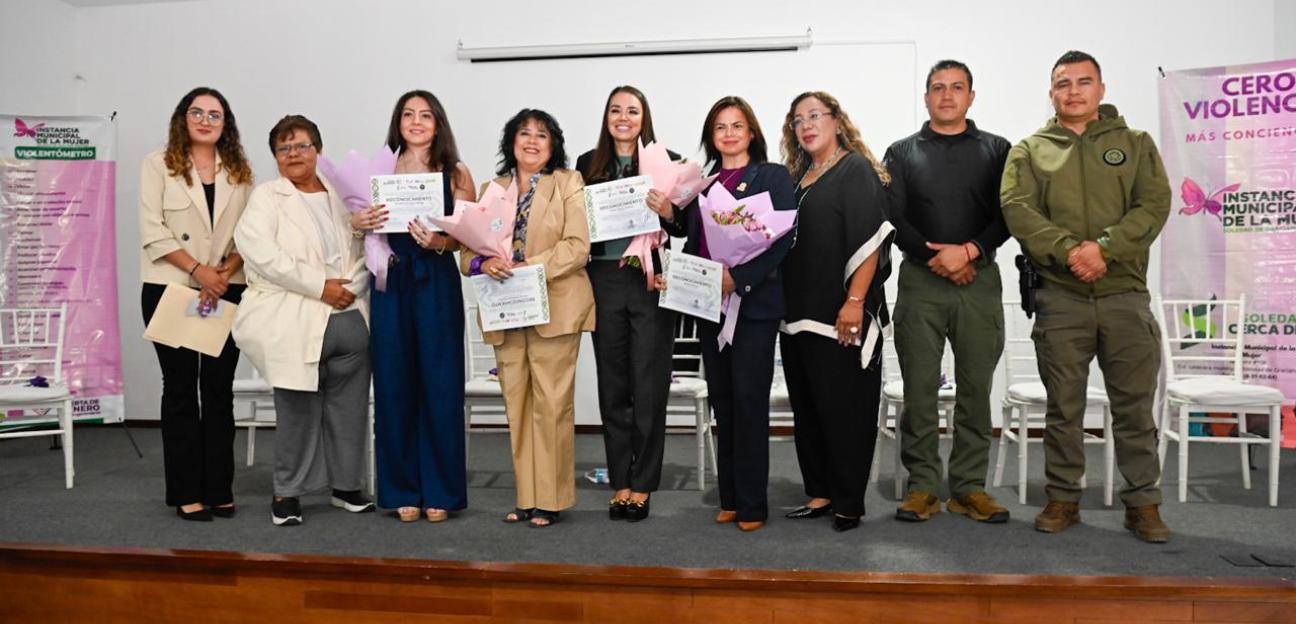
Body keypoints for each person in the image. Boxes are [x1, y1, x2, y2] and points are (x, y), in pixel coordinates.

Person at [1001, 50, 1171, 543]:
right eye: (1062, 83)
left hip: (1123, 296)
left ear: (1101, 89)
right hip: (1061, 297)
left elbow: (1154, 204)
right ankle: (1063, 498)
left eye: (1083, 82)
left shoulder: (1135, 144)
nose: (1073, 91)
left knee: (1134, 409)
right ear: (1051, 92)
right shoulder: (1030, 149)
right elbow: (1018, 208)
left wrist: (1107, 249)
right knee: (1064, 408)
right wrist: (1070, 250)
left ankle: (1143, 503)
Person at [884, 60, 1013, 524]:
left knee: (975, 390)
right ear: (926, 97)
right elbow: (894, 217)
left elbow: (1009, 213)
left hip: (979, 281)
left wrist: (971, 251)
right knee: (920, 389)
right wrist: (938, 257)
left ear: (971, 96)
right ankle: (922, 486)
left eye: (957, 88)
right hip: (921, 281)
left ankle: (969, 487)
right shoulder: (901, 153)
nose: (946, 96)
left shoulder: (998, 149)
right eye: (938, 88)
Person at [233, 115, 375, 526]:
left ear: (319, 150)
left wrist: (351, 285)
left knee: (349, 411)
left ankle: (346, 487)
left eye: (302, 146)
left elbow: (365, 246)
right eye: (284, 148)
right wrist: (320, 286)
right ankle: (287, 492)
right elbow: (262, 254)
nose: (294, 154)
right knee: (296, 410)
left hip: (349, 316)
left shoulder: (340, 195)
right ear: (276, 156)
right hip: (297, 319)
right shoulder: (266, 197)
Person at [460, 109, 594, 528]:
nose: (532, 141)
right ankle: (526, 496)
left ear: (553, 145)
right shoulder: (491, 188)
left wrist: (526, 266)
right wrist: (485, 263)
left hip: (555, 306)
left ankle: (551, 500)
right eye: (524, 133)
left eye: (542, 135)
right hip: (506, 309)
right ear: (510, 141)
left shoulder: (569, 183)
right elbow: (466, 255)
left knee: (552, 406)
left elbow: (577, 247)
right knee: (517, 404)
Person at [349, 91, 476, 523]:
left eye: (425, 115)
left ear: (438, 123)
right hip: (391, 280)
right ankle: (402, 487)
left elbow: (468, 235)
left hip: (436, 279)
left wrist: (443, 241)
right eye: (408, 114)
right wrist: (357, 222)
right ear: (398, 122)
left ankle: (441, 490)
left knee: (440, 385)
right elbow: (357, 222)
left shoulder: (456, 172)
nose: (417, 122)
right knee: (394, 384)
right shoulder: (378, 171)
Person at [677, 96, 796, 532]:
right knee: (723, 405)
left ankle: (752, 505)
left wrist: (739, 278)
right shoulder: (702, 185)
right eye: (720, 127)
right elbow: (692, 244)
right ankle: (729, 496)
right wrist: (682, 279)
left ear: (751, 133)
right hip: (710, 306)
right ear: (712, 135)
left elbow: (782, 239)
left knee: (749, 403)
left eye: (737, 125)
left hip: (754, 306)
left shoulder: (772, 177)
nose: (729, 133)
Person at [779, 91, 894, 533]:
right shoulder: (800, 176)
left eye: (815, 116)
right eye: (798, 120)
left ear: (837, 121)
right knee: (810, 411)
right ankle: (821, 492)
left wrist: (855, 302)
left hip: (841, 315)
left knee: (845, 410)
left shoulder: (855, 170)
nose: (807, 125)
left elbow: (873, 238)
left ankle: (848, 501)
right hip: (798, 315)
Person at [139, 87, 254, 522]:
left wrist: (222, 271)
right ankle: (187, 491)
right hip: (171, 286)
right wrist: (198, 271)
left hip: (226, 287)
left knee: (219, 391)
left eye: (215, 115)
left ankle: (219, 488)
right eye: (197, 112)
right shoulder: (158, 164)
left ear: (226, 124)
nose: (206, 120)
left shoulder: (240, 171)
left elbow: (250, 231)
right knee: (182, 389)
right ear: (182, 118)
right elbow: (152, 229)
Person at [575, 86, 684, 522]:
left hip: (649, 279)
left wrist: (670, 210)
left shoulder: (665, 159)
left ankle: (644, 485)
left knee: (649, 383)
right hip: (602, 277)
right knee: (613, 384)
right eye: (616, 110)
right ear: (607, 117)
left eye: (632, 111)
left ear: (645, 117)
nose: (623, 117)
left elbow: (684, 225)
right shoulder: (587, 164)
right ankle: (620, 479)